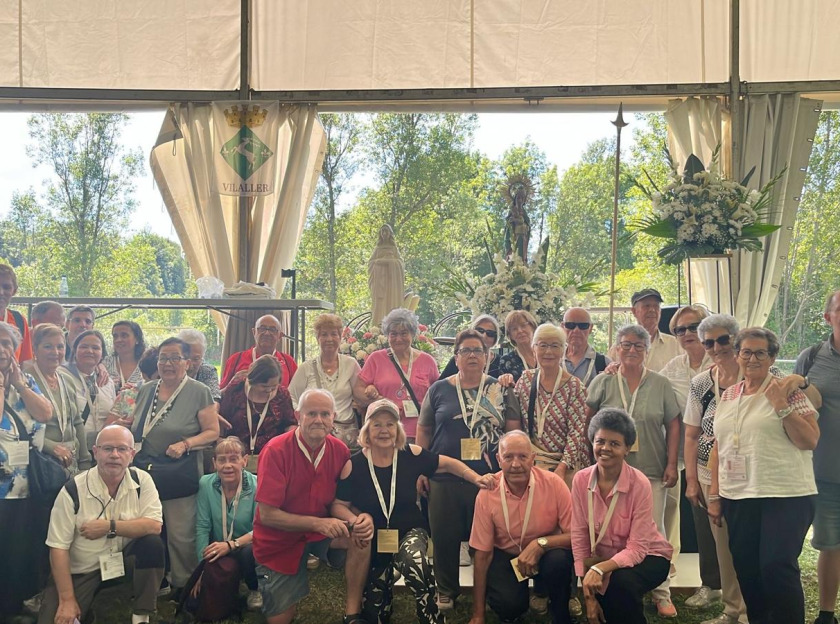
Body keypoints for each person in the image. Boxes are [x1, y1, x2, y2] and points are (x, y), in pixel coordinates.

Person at [333, 399, 495, 624]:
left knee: (415, 562)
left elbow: (448, 464)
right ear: (367, 430)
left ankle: (431, 616)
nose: (384, 430)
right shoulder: (354, 464)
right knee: (376, 616)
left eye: (390, 424)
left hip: (410, 531)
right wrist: (353, 520)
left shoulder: (410, 453)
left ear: (397, 429)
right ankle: (385, 586)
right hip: (374, 539)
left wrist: (476, 478)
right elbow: (338, 504)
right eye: (377, 425)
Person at [709, 327, 820, 624]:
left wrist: (781, 406)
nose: (752, 359)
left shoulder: (787, 390)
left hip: (786, 494)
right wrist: (715, 495)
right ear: (737, 355)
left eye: (761, 353)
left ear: (772, 358)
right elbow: (720, 445)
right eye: (746, 352)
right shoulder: (729, 394)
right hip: (738, 495)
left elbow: (810, 439)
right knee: (747, 569)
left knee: (776, 567)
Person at [416, 329, 520, 612]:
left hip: (488, 477)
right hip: (443, 476)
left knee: (486, 538)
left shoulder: (501, 389)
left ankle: (486, 589)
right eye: (466, 350)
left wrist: (509, 472)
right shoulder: (439, 389)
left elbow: (513, 433)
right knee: (444, 535)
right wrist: (421, 469)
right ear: (456, 357)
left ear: (487, 357)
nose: (472, 355)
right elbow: (424, 429)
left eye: (478, 350)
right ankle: (446, 589)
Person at [586, 323, 680, 618]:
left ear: (647, 351)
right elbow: (589, 421)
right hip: (609, 472)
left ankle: (661, 593)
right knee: (610, 532)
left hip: (650, 469)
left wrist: (671, 463)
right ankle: (618, 585)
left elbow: (673, 424)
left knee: (654, 532)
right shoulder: (604, 380)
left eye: (639, 345)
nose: (631, 350)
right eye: (625, 344)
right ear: (616, 348)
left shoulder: (661, 383)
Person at [252, 388, 369, 624]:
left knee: (361, 536)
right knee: (280, 620)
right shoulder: (275, 450)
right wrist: (318, 524)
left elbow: (341, 501)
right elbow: (268, 515)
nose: (319, 420)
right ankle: (264, 586)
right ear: (298, 416)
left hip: (320, 533)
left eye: (325, 414)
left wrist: (359, 519)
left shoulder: (340, 451)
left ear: (334, 417)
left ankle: (352, 613)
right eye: (311, 413)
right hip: (279, 539)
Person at [38, 425, 164, 624]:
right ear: (95, 452)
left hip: (123, 562)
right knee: (57, 619)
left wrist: (109, 526)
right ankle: (83, 601)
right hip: (82, 571)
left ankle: (141, 615)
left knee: (152, 545)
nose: (114, 455)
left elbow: (154, 526)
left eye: (122, 449)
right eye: (107, 448)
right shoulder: (72, 490)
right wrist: (67, 599)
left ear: (132, 454)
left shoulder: (142, 479)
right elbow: (58, 547)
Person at [130, 337, 220, 591]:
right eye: (163, 358)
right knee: (149, 529)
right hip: (146, 470)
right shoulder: (146, 389)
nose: (167, 364)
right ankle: (155, 581)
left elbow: (212, 432)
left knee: (181, 532)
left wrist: (186, 444)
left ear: (187, 363)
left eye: (174, 358)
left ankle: (185, 583)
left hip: (178, 471)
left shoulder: (199, 391)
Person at [571, 408, 673, 624]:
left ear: (627, 448)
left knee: (621, 584)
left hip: (649, 556)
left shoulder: (640, 483)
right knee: (608, 606)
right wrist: (588, 595)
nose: (605, 448)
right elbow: (579, 535)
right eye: (600, 441)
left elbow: (637, 549)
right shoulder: (580, 480)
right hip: (605, 559)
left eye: (614, 444)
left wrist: (599, 568)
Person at [468, 430, 575, 624]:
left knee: (558, 562)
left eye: (522, 457)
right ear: (498, 460)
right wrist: (478, 614)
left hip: (546, 553)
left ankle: (560, 612)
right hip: (506, 553)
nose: (516, 464)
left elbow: (575, 536)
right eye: (508, 457)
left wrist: (540, 544)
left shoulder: (554, 484)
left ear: (533, 458)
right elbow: (482, 555)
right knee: (509, 606)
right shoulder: (487, 493)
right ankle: (514, 603)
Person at [0, 321, 52, 616]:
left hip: (25, 480)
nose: (2, 349)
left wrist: (19, 385)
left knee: (20, 545)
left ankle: (14, 603)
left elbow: (45, 413)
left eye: (7, 343)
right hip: (1, 482)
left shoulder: (26, 379)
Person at [794, 290, 840, 624]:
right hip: (825, 473)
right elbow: (795, 408)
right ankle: (826, 613)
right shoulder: (810, 358)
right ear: (828, 317)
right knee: (830, 544)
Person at [657, 305, 711, 585]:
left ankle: (728, 579)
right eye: (680, 330)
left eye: (693, 327)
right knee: (683, 509)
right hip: (683, 450)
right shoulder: (674, 367)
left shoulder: (721, 359)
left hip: (720, 450)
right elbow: (649, 384)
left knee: (719, 515)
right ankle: (673, 563)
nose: (687, 333)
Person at [510, 323, 589, 483]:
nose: (548, 352)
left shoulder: (575, 387)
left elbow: (577, 434)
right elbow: (513, 417)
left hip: (565, 465)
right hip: (531, 463)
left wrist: (562, 467)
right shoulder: (525, 380)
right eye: (543, 345)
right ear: (534, 349)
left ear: (563, 350)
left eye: (555, 346)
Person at [195, 436, 261, 611]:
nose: (227, 465)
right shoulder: (206, 484)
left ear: (244, 460)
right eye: (222, 460)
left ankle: (254, 588)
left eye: (233, 459)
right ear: (214, 463)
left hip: (247, 545)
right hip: (220, 547)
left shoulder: (257, 485)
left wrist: (232, 544)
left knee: (249, 552)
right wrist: (201, 569)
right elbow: (202, 526)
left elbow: (261, 529)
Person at [354, 308, 440, 442]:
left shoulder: (428, 361)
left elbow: (438, 396)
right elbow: (357, 390)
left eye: (404, 333)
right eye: (393, 334)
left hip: (419, 433)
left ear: (413, 334)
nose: (398, 339)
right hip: (384, 433)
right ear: (387, 335)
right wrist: (380, 401)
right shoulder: (376, 358)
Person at [288, 313, 361, 450]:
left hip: (346, 434)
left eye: (334, 334)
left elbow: (360, 395)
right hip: (315, 431)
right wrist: (302, 417)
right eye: (324, 334)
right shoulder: (306, 367)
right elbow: (291, 396)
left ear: (340, 337)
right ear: (317, 338)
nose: (329, 339)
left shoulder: (351, 364)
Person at [25, 324, 91, 476]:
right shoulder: (25, 381)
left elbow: (77, 422)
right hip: (41, 462)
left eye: (60, 347)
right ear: (35, 349)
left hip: (71, 460)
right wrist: (51, 447)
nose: (55, 352)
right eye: (48, 346)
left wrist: (85, 460)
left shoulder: (67, 379)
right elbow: (22, 427)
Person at [221, 355, 297, 470]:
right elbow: (222, 418)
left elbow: (290, 423)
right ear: (253, 380)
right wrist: (223, 440)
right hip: (236, 456)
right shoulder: (236, 389)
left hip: (272, 456)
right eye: (264, 386)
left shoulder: (282, 394)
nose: (269, 390)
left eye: (274, 386)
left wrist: (288, 440)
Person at [66, 330, 116, 453]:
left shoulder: (108, 383)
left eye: (95, 348)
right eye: (84, 347)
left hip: (102, 448)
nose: (90, 351)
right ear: (75, 350)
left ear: (102, 353)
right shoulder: (62, 377)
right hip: (72, 448)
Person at [609, 289, 682, 372]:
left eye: (656, 306)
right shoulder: (620, 347)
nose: (652, 310)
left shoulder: (675, 345)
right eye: (646, 306)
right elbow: (609, 372)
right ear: (634, 311)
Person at [220, 314, 297, 391]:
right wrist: (232, 383)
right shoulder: (236, 359)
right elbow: (219, 395)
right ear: (254, 332)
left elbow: (297, 395)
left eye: (272, 329)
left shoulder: (288, 362)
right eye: (262, 328)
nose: (267, 333)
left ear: (280, 335)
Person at [106, 347, 161, 428]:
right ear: (144, 375)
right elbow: (105, 429)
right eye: (158, 377)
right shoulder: (127, 395)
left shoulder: (177, 395)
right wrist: (116, 425)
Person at [562, 307, 610, 387]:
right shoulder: (554, 360)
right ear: (562, 327)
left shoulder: (604, 363)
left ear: (590, 328)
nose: (576, 330)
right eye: (570, 325)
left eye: (583, 326)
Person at [0, 264, 33, 362]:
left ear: (14, 291)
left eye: (6, 287)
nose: (1, 292)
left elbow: (25, 362)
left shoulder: (19, 320)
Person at [178, 328, 221, 402]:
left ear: (202, 357)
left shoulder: (207, 371)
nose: (189, 364)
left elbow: (214, 402)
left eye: (196, 359)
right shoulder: (168, 368)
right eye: (185, 357)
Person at [497, 310, 539, 382]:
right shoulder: (506, 361)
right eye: (514, 329)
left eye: (523, 325)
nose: (520, 331)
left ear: (533, 327)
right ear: (510, 335)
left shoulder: (545, 353)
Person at [103, 320, 146, 391]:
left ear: (137, 339)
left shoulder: (147, 362)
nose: (118, 340)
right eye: (115, 336)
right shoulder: (105, 363)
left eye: (124, 335)